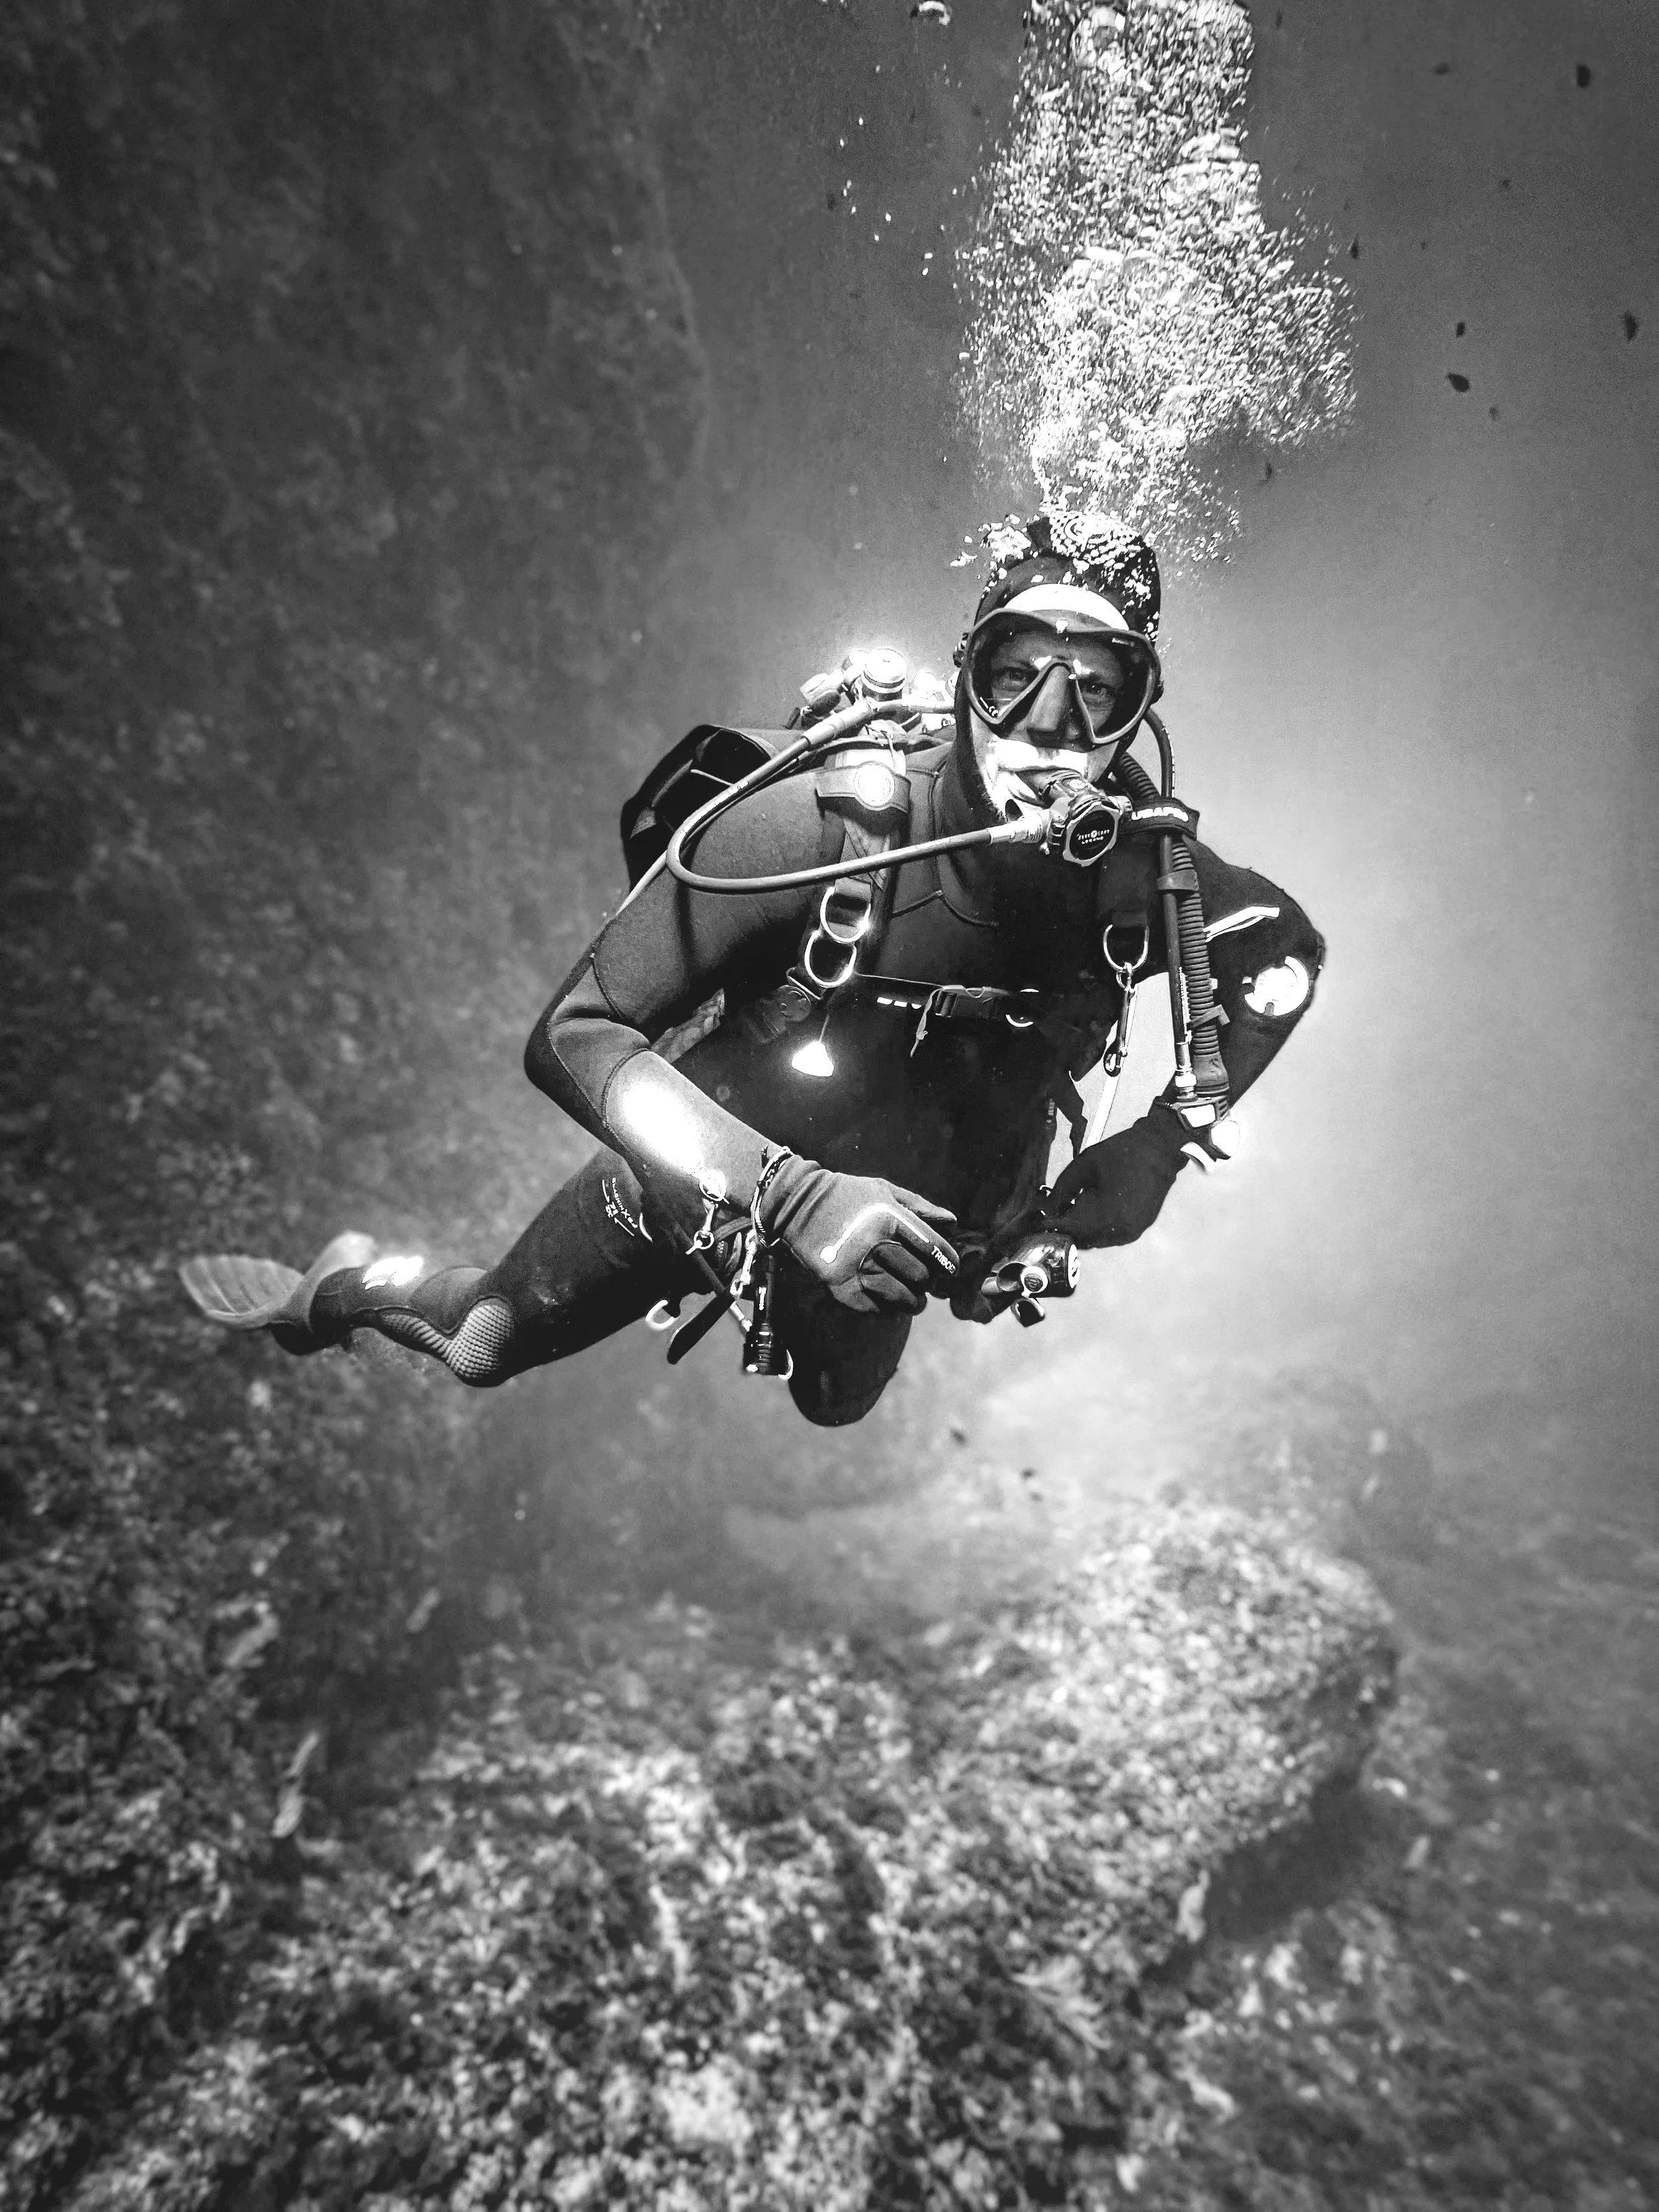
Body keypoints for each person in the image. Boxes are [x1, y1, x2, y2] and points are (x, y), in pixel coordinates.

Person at [182, 512, 1323, 1426]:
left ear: (1139, 711)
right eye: (1017, 673)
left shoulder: (1147, 873)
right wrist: (791, 1196)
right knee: (485, 1343)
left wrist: (1162, 1147)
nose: (1050, 726)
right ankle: (333, 1292)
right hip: (713, 1166)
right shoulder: (820, 834)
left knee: (835, 1406)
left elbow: (1284, 960)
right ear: (967, 675)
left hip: (934, 1205)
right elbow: (576, 1034)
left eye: (1098, 687)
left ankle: (801, 1287)